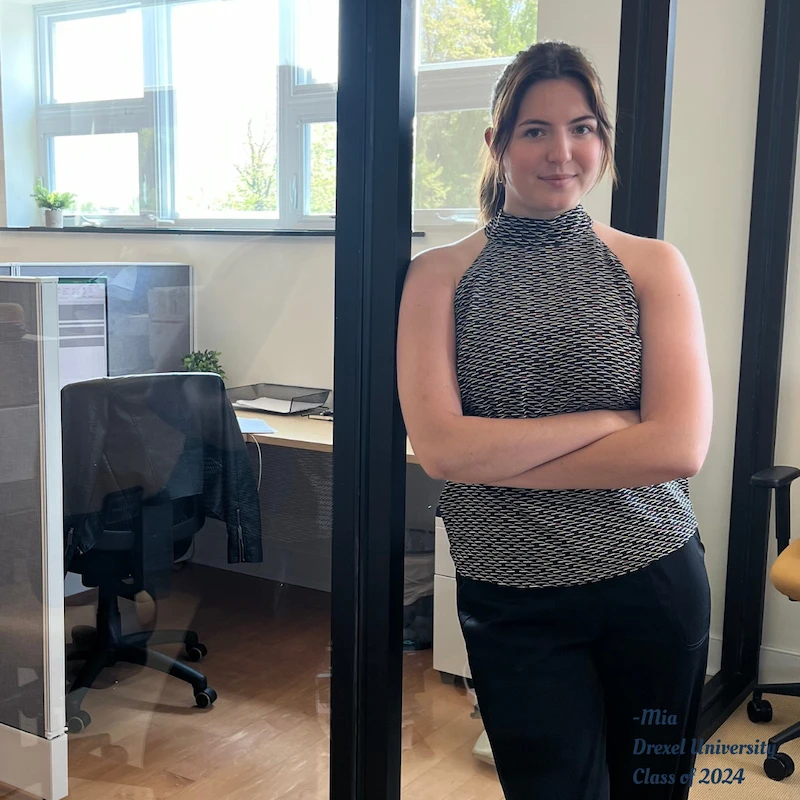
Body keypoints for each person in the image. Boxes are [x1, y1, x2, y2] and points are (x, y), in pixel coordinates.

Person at [397, 40, 713, 800]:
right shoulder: (438, 276)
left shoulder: (652, 265)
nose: (561, 151)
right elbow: (441, 450)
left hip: (654, 584)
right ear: (497, 143)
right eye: (534, 130)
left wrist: (501, 459)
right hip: (514, 602)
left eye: (581, 127)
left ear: (602, 140)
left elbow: (678, 446)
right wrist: (608, 421)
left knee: (653, 789)